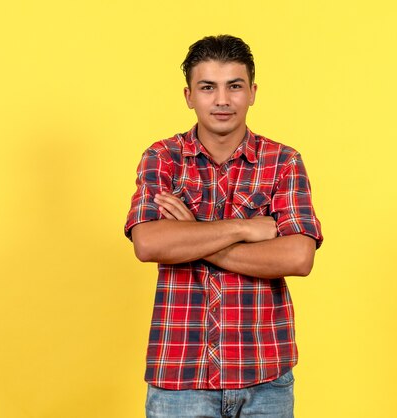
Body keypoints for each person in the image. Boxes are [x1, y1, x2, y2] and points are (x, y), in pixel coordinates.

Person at [125, 34, 323, 418]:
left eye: (234, 86)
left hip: (265, 376)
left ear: (252, 92)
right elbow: (148, 244)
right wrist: (244, 228)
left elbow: (299, 256)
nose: (221, 100)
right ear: (188, 96)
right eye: (207, 87)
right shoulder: (162, 158)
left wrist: (192, 233)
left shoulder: (283, 161)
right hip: (180, 375)